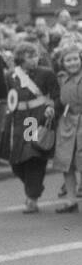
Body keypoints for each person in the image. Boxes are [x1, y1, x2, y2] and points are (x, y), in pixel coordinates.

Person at [4, 41, 60, 213]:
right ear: (21, 58)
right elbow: (10, 97)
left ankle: (32, 197)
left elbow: (56, 96)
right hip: (17, 120)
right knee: (16, 162)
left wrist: (51, 108)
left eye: (35, 55)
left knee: (33, 156)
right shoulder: (11, 75)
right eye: (30, 56)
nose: (34, 59)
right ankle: (34, 188)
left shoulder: (47, 74)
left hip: (35, 119)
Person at [54, 43, 82, 212]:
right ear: (63, 62)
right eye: (68, 60)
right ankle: (71, 200)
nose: (72, 63)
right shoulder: (62, 78)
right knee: (67, 161)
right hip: (68, 123)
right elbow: (61, 100)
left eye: (75, 59)